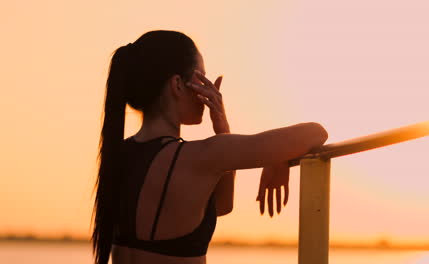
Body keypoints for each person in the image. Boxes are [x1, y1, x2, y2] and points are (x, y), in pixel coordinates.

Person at [91, 30, 328, 264]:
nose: (210, 87)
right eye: (201, 77)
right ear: (177, 84)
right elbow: (316, 132)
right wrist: (279, 156)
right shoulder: (201, 156)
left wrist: (223, 129)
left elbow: (222, 205)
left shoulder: (118, 154)